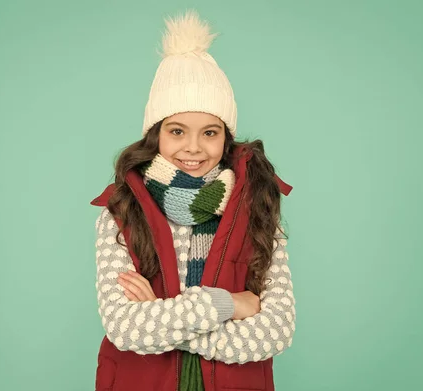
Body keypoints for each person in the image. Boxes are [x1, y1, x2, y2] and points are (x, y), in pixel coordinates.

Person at [90, 9, 296, 391]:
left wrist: (159, 316)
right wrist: (229, 305)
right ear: (156, 134)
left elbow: (276, 330)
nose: (193, 148)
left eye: (210, 132)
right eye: (178, 130)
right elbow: (125, 328)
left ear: (226, 138)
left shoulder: (261, 211)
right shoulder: (120, 213)